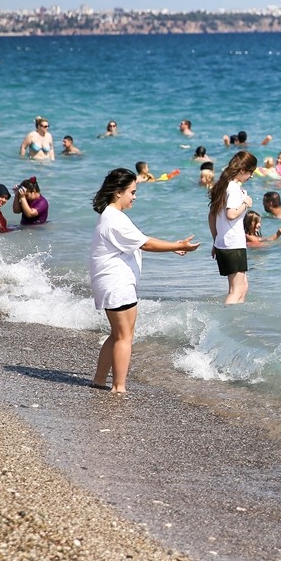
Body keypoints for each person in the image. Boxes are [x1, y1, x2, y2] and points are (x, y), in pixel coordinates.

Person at [89, 167, 200, 392]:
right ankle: (118, 387)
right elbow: (146, 243)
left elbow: (142, 240)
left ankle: (99, 380)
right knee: (124, 337)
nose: (135, 196)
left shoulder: (111, 216)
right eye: (132, 192)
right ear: (118, 192)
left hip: (112, 282)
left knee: (117, 334)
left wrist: (173, 247)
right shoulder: (114, 218)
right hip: (116, 284)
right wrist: (178, 246)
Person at [208, 150, 257, 304]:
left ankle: (237, 323)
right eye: (251, 172)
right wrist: (246, 204)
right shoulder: (234, 188)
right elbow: (231, 214)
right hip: (233, 244)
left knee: (243, 287)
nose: (252, 176)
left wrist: (216, 241)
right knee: (236, 291)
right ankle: (228, 321)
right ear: (242, 170)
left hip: (224, 243)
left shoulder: (223, 186)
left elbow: (211, 216)